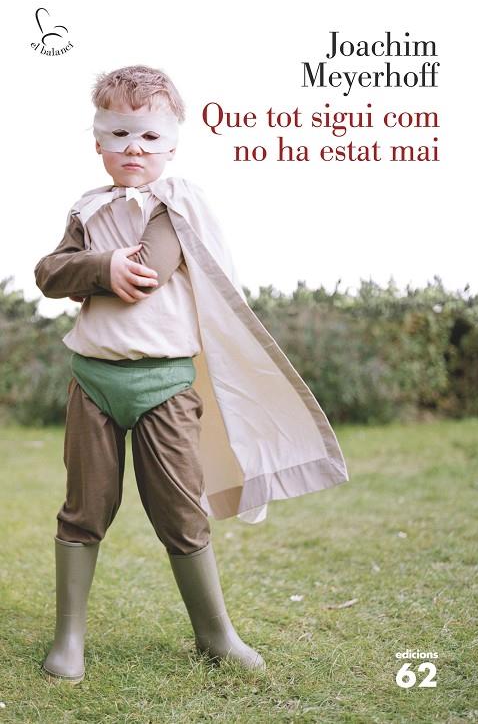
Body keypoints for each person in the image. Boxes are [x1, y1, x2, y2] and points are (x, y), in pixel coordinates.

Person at [34, 64, 349, 685]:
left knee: (180, 510)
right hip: (93, 381)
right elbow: (48, 272)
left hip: (165, 386)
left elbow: (147, 271)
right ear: (97, 141)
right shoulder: (86, 208)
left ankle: (215, 634)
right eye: (119, 133)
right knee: (84, 509)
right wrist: (96, 266)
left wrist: (95, 270)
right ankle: (69, 637)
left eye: (150, 136)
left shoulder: (176, 204)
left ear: (172, 145)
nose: (134, 148)